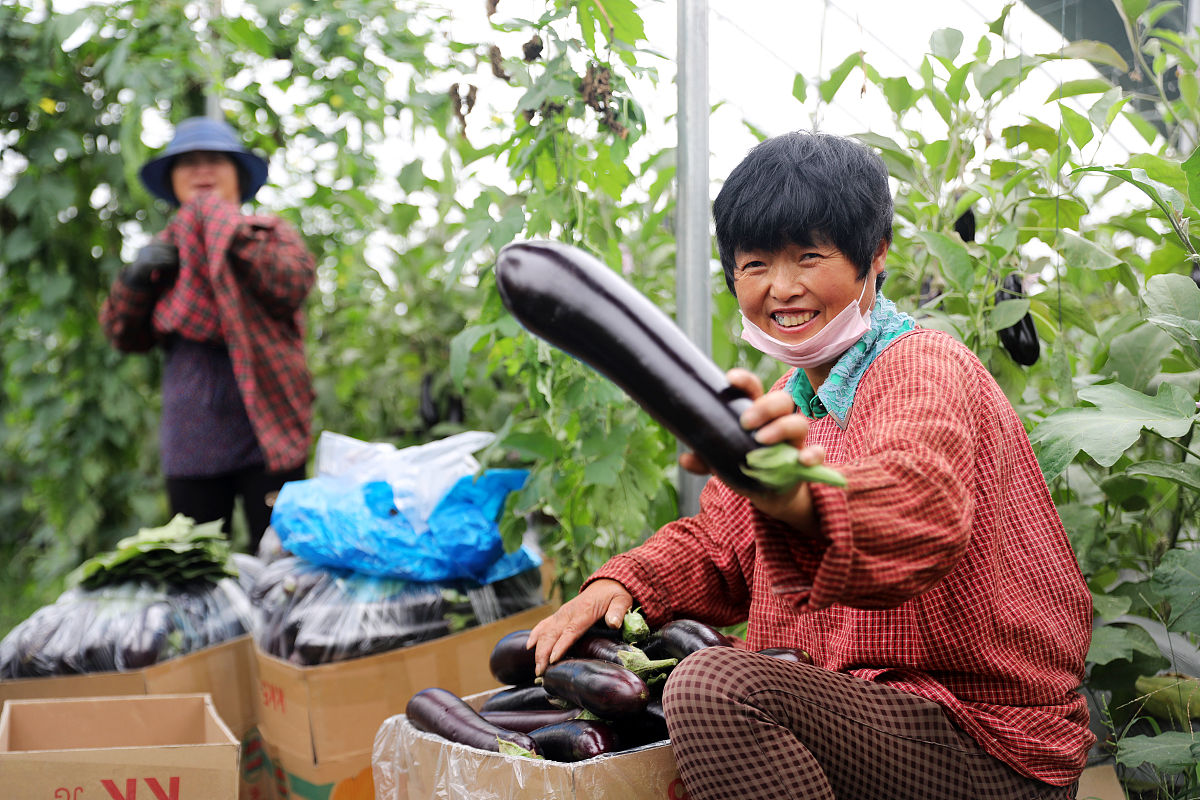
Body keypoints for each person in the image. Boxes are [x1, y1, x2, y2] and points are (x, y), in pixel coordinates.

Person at [527, 131, 1094, 799]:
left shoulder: (922, 368)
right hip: (874, 719)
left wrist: (799, 494)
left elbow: (917, 502)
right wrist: (624, 584)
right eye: (756, 263)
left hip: (981, 735)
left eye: (810, 256)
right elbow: (721, 545)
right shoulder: (790, 397)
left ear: (874, 257)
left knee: (715, 687)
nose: (783, 288)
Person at [100, 116, 316, 554]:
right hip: (193, 434)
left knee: (288, 559)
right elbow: (122, 333)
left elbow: (293, 283)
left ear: (238, 175)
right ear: (173, 181)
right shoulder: (161, 254)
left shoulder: (269, 235)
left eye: (215, 160)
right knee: (197, 564)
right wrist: (137, 280)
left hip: (268, 426)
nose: (202, 171)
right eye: (189, 163)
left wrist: (230, 234)